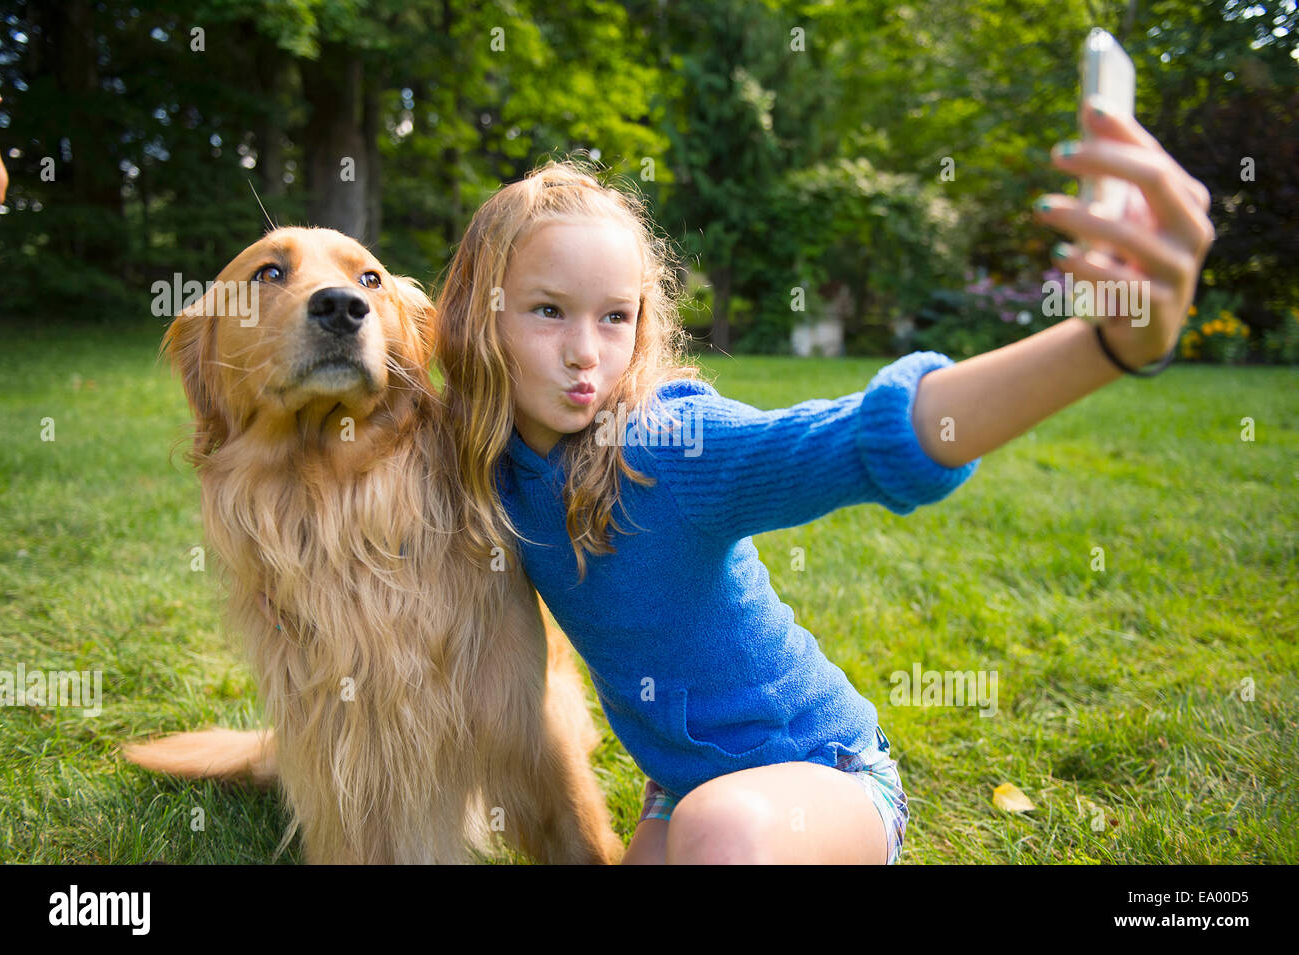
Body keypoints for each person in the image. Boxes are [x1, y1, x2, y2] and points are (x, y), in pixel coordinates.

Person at [430, 96, 1214, 865]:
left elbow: (861, 438)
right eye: (547, 311)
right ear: (478, 316)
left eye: (614, 316)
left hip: (827, 776)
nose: (585, 353)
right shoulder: (489, 469)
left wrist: (1107, 347)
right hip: (681, 791)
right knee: (707, 822)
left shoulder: (668, 447)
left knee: (720, 833)